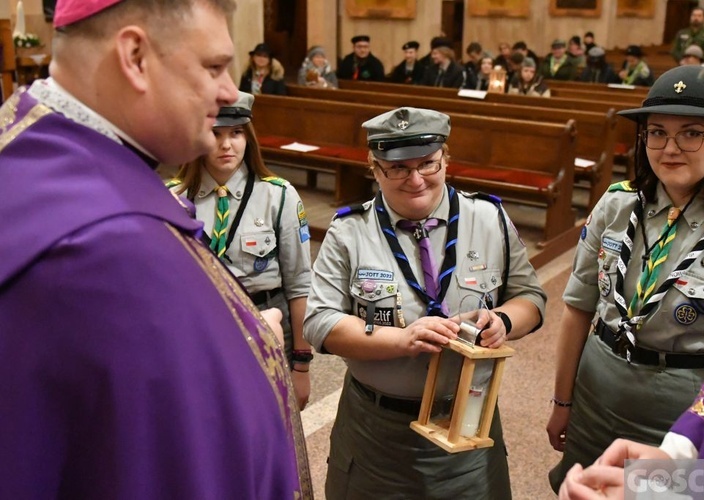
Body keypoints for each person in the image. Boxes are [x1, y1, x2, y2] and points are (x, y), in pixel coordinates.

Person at [0, 0, 312, 498]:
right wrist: (255, 341)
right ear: (135, 56)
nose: (230, 90)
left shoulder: (25, 150)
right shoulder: (112, 247)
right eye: (213, 66)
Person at [304, 107, 547, 498]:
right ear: (376, 169)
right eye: (397, 168)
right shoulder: (349, 231)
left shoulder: (489, 218)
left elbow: (531, 298)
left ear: (445, 158)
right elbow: (320, 323)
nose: (416, 179)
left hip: (469, 422)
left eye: (428, 164)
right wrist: (401, 340)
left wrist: (502, 319)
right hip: (377, 431)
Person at [557, 29, 704, 500]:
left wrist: (681, 476)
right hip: (596, 389)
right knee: (580, 484)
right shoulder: (618, 204)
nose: (669, 148)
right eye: (657, 132)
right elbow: (579, 305)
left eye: (691, 133)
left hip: (679, 411)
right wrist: (562, 400)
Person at [166, 91, 313, 410]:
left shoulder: (279, 196)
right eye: (215, 134)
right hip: (200, 330)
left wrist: (302, 363)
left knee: (268, 422)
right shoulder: (172, 198)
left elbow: (300, 285)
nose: (226, 145)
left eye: (236, 133)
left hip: (268, 325)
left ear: (249, 137)